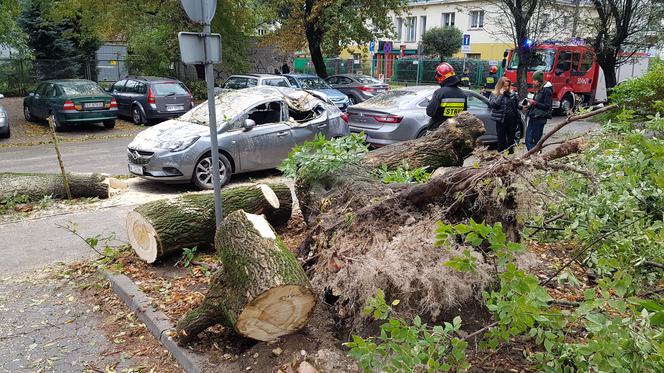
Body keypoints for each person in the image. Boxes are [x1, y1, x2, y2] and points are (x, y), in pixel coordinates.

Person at [426, 62, 468, 131]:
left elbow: (430, 112)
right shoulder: (462, 94)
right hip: (455, 130)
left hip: (437, 131)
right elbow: (464, 114)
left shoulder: (439, 93)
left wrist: (431, 103)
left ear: (441, 77)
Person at [488, 77, 520, 153]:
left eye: (508, 86)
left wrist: (523, 106)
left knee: (511, 139)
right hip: (501, 120)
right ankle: (501, 156)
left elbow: (517, 104)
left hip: (512, 120)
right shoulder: (494, 94)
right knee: (501, 140)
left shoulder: (512, 94)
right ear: (500, 86)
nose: (507, 88)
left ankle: (511, 156)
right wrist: (501, 95)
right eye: (505, 86)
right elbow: (495, 105)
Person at [525, 70, 553, 151]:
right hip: (533, 116)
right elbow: (535, 103)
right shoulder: (538, 89)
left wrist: (534, 103)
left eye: (534, 80)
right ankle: (533, 155)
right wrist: (528, 107)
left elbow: (547, 106)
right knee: (528, 140)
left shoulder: (546, 90)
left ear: (539, 81)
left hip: (540, 118)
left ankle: (536, 157)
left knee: (536, 141)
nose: (533, 82)